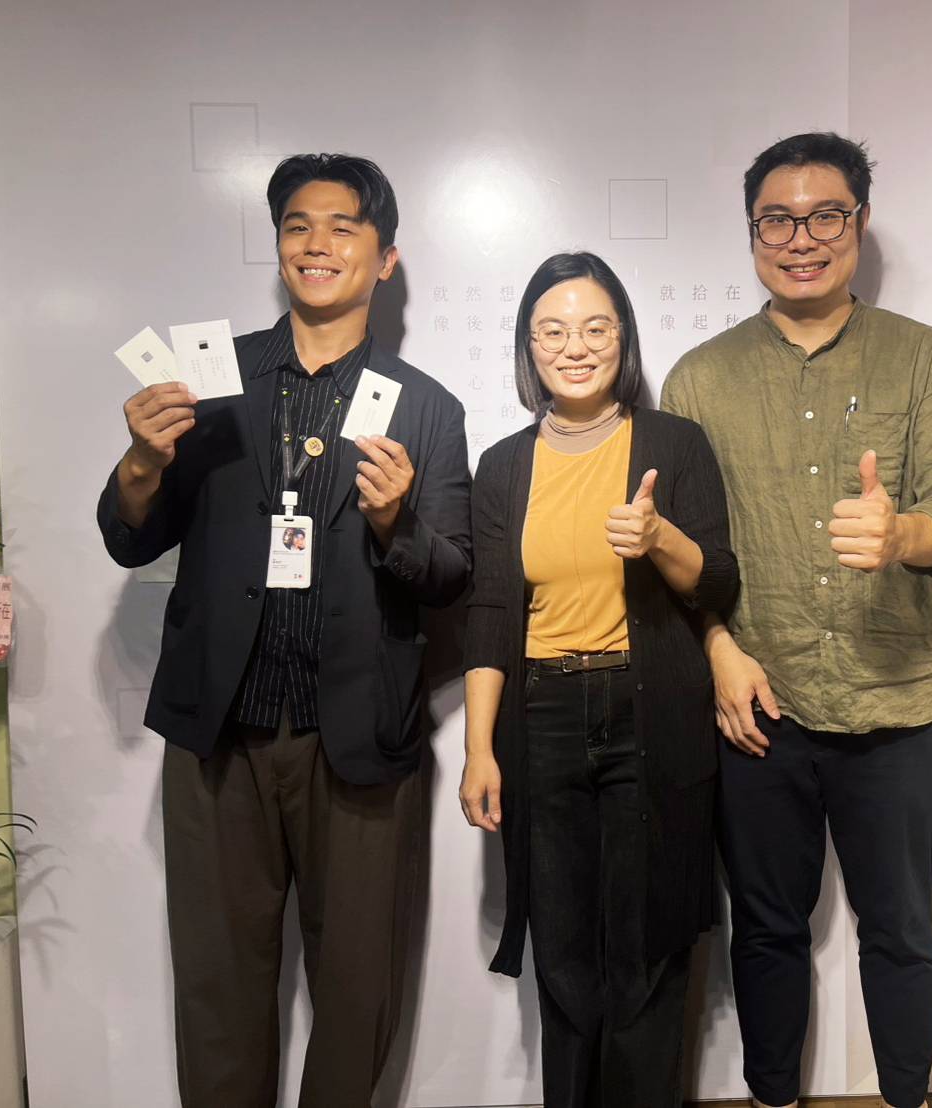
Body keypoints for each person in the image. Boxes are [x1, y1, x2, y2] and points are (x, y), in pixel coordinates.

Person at [97, 153, 471, 1106]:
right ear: (277, 248)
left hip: (360, 737)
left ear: (385, 258)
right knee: (217, 988)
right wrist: (141, 462)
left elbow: (450, 576)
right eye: (298, 225)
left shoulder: (427, 406)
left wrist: (395, 524)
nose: (317, 243)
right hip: (219, 735)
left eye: (344, 226)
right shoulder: (211, 380)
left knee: (358, 990)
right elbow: (129, 536)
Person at [662, 133, 932, 1108]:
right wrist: (717, 646)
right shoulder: (698, 378)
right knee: (765, 930)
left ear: (859, 222)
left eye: (824, 216)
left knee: (900, 931)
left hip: (900, 698)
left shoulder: (928, 360)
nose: (799, 238)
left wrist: (903, 534)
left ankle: (904, 1098)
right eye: (777, 219)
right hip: (757, 704)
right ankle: (773, 1096)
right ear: (751, 231)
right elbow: (682, 550)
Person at [459, 252, 739, 1107]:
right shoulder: (503, 465)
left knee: (648, 943)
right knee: (565, 946)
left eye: (594, 328)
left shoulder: (674, 443)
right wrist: (478, 748)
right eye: (552, 331)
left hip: (649, 711)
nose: (574, 347)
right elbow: (491, 611)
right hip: (541, 717)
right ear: (527, 347)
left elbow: (720, 582)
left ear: (624, 337)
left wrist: (660, 539)